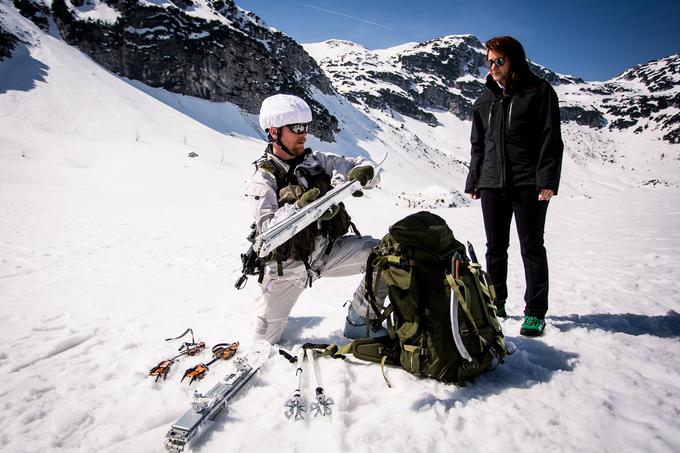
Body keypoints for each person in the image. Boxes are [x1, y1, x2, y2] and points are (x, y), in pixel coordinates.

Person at [245, 94, 387, 345]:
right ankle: (275, 319)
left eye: (306, 127)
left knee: (384, 256)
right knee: (263, 344)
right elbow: (266, 233)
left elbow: (360, 166)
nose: (304, 134)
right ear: (275, 132)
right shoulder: (263, 179)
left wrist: (366, 172)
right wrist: (301, 208)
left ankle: (360, 320)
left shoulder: (317, 161)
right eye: (296, 128)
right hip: (285, 271)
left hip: (326, 255)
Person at [465, 36, 564, 337]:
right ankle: (497, 301)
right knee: (495, 248)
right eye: (489, 61)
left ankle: (535, 312)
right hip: (492, 183)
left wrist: (547, 179)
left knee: (531, 246)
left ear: (514, 61)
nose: (493, 67)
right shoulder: (484, 100)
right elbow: (477, 145)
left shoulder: (539, 91)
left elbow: (551, 137)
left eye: (499, 61)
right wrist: (475, 179)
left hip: (528, 182)